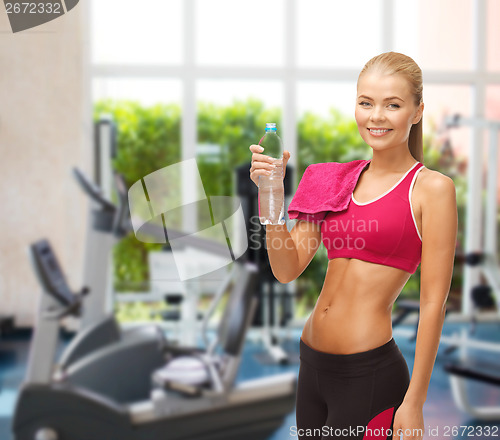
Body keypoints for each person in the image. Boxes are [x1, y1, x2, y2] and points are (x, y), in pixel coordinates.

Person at [249, 52, 457, 440]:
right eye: (366, 103)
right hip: (311, 365)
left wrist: (414, 402)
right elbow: (286, 268)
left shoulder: (431, 189)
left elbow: (434, 302)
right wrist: (271, 193)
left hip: (369, 376)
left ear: (416, 112)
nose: (376, 116)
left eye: (392, 104)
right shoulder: (328, 179)